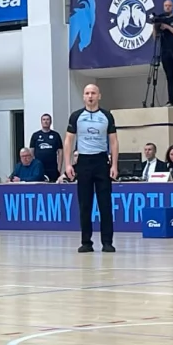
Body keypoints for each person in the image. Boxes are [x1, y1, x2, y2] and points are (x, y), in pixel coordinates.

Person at [64, 84, 119, 253]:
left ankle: (107, 242)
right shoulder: (76, 116)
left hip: (101, 161)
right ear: (83, 96)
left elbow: (114, 141)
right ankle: (86, 242)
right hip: (84, 162)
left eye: (93, 93)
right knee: (85, 204)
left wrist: (115, 165)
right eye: (87, 93)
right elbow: (68, 141)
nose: (90, 96)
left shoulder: (107, 116)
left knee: (105, 205)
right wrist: (67, 164)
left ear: (99, 96)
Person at [29, 114, 64, 184]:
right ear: (41, 122)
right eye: (44, 119)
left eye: (47, 119)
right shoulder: (35, 135)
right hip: (39, 167)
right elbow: (31, 151)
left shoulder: (56, 135)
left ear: (50, 122)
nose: (46, 121)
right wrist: (33, 166)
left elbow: (60, 152)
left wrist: (59, 168)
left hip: (52, 167)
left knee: (53, 186)